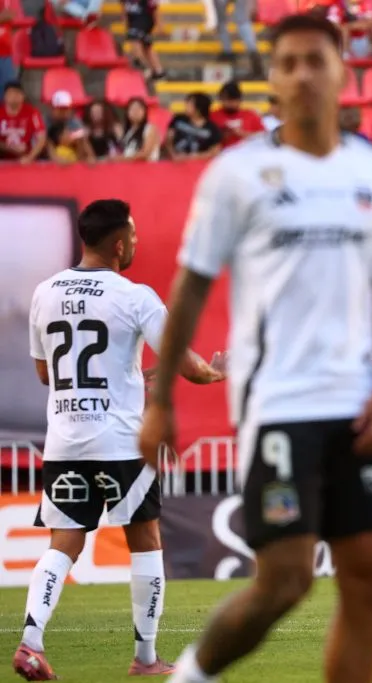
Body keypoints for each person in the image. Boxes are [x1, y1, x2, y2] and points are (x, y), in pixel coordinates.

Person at [138, 14, 372, 683]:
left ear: (342, 70)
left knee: (369, 580)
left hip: (360, 405)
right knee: (286, 580)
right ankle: (190, 675)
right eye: (286, 63)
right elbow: (192, 289)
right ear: (272, 79)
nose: (301, 74)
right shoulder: (238, 174)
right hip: (280, 403)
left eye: (315, 60)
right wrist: (161, 399)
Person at [12, 199, 225, 681]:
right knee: (145, 540)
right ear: (121, 243)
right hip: (122, 445)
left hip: (65, 441)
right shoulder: (134, 296)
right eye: (134, 235)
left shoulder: (45, 293)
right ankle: (145, 659)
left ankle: (31, 640)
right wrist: (214, 372)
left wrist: (129, 378)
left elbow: (48, 373)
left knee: (63, 541)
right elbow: (187, 365)